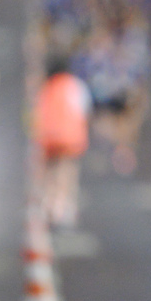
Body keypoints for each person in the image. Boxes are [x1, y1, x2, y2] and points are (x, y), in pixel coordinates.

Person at [33, 59, 92, 227]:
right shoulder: (75, 85)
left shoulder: (47, 87)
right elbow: (85, 110)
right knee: (67, 173)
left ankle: (49, 205)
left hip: (49, 138)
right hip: (72, 138)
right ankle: (65, 208)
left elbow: (37, 113)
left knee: (50, 173)